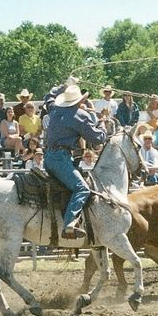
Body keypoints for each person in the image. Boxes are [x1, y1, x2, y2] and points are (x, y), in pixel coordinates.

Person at [44, 85, 107, 238]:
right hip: (61, 158)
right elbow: (98, 138)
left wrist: (64, 85)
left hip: (49, 157)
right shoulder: (80, 115)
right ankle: (69, 224)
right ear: (80, 100)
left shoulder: (54, 109)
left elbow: (48, 97)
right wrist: (102, 123)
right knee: (82, 189)